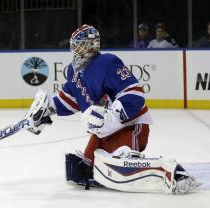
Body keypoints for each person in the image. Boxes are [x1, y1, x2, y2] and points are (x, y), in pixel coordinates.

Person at [27, 24, 201, 194]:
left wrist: (113, 115)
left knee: (117, 163)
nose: (76, 51)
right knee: (86, 169)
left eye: (80, 46)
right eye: (75, 47)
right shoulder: (73, 71)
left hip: (131, 126)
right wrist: (47, 108)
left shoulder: (107, 63)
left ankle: (172, 172)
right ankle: (114, 163)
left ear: (92, 46)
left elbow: (135, 93)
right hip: (104, 132)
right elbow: (69, 100)